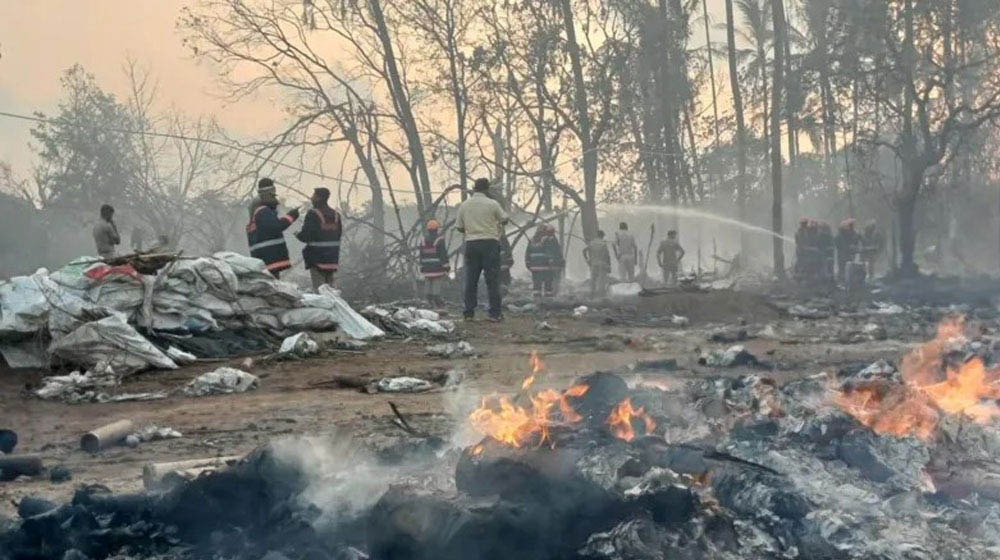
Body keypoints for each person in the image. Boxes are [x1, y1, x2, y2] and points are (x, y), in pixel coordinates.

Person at [456, 177, 508, 321]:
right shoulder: (492, 203)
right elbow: (504, 219)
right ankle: (495, 314)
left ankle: (468, 313)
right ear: (487, 189)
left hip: (471, 244)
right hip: (490, 244)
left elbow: (459, 227)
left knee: (471, 279)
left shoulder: (464, 205)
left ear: (474, 188)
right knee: (492, 280)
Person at [246, 178, 300, 278]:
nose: (275, 199)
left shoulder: (258, 211)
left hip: (265, 257)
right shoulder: (263, 211)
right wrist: (291, 216)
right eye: (273, 194)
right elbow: (276, 227)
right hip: (269, 257)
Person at [295, 187, 342, 290]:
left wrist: (297, 235)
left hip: (316, 259)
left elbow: (306, 236)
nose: (311, 198)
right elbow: (338, 235)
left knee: (320, 291)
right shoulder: (336, 215)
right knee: (331, 291)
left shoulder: (313, 214)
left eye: (313, 196)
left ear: (318, 198)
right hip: (332, 260)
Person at [525, 225, 564, 302]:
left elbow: (527, 253)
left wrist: (528, 263)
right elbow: (552, 252)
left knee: (536, 285)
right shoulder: (549, 239)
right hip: (545, 266)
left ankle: (537, 301)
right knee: (548, 284)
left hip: (534, 267)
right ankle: (548, 301)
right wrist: (556, 263)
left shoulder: (532, 240)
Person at [417, 219, 450, 306]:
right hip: (437, 267)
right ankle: (436, 299)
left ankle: (428, 300)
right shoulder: (440, 239)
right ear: (437, 229)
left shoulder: (423, 240)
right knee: (436, 282)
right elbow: (443, 254)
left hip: (426, 267)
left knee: (428, 282)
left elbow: (421, 254)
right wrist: (446, 266)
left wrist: (421, 266)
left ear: (428, 229)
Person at [583, 230, 612, 298]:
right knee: (601, 282)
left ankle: (591, 296)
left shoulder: (591, 243)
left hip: (593, 264)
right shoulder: (603, 244)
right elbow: (607, 255)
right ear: (602, 236)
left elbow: (584, 251)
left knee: (593, 281)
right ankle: (601, 297)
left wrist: (588, 260)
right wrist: (609, 265)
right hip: (602, 264)